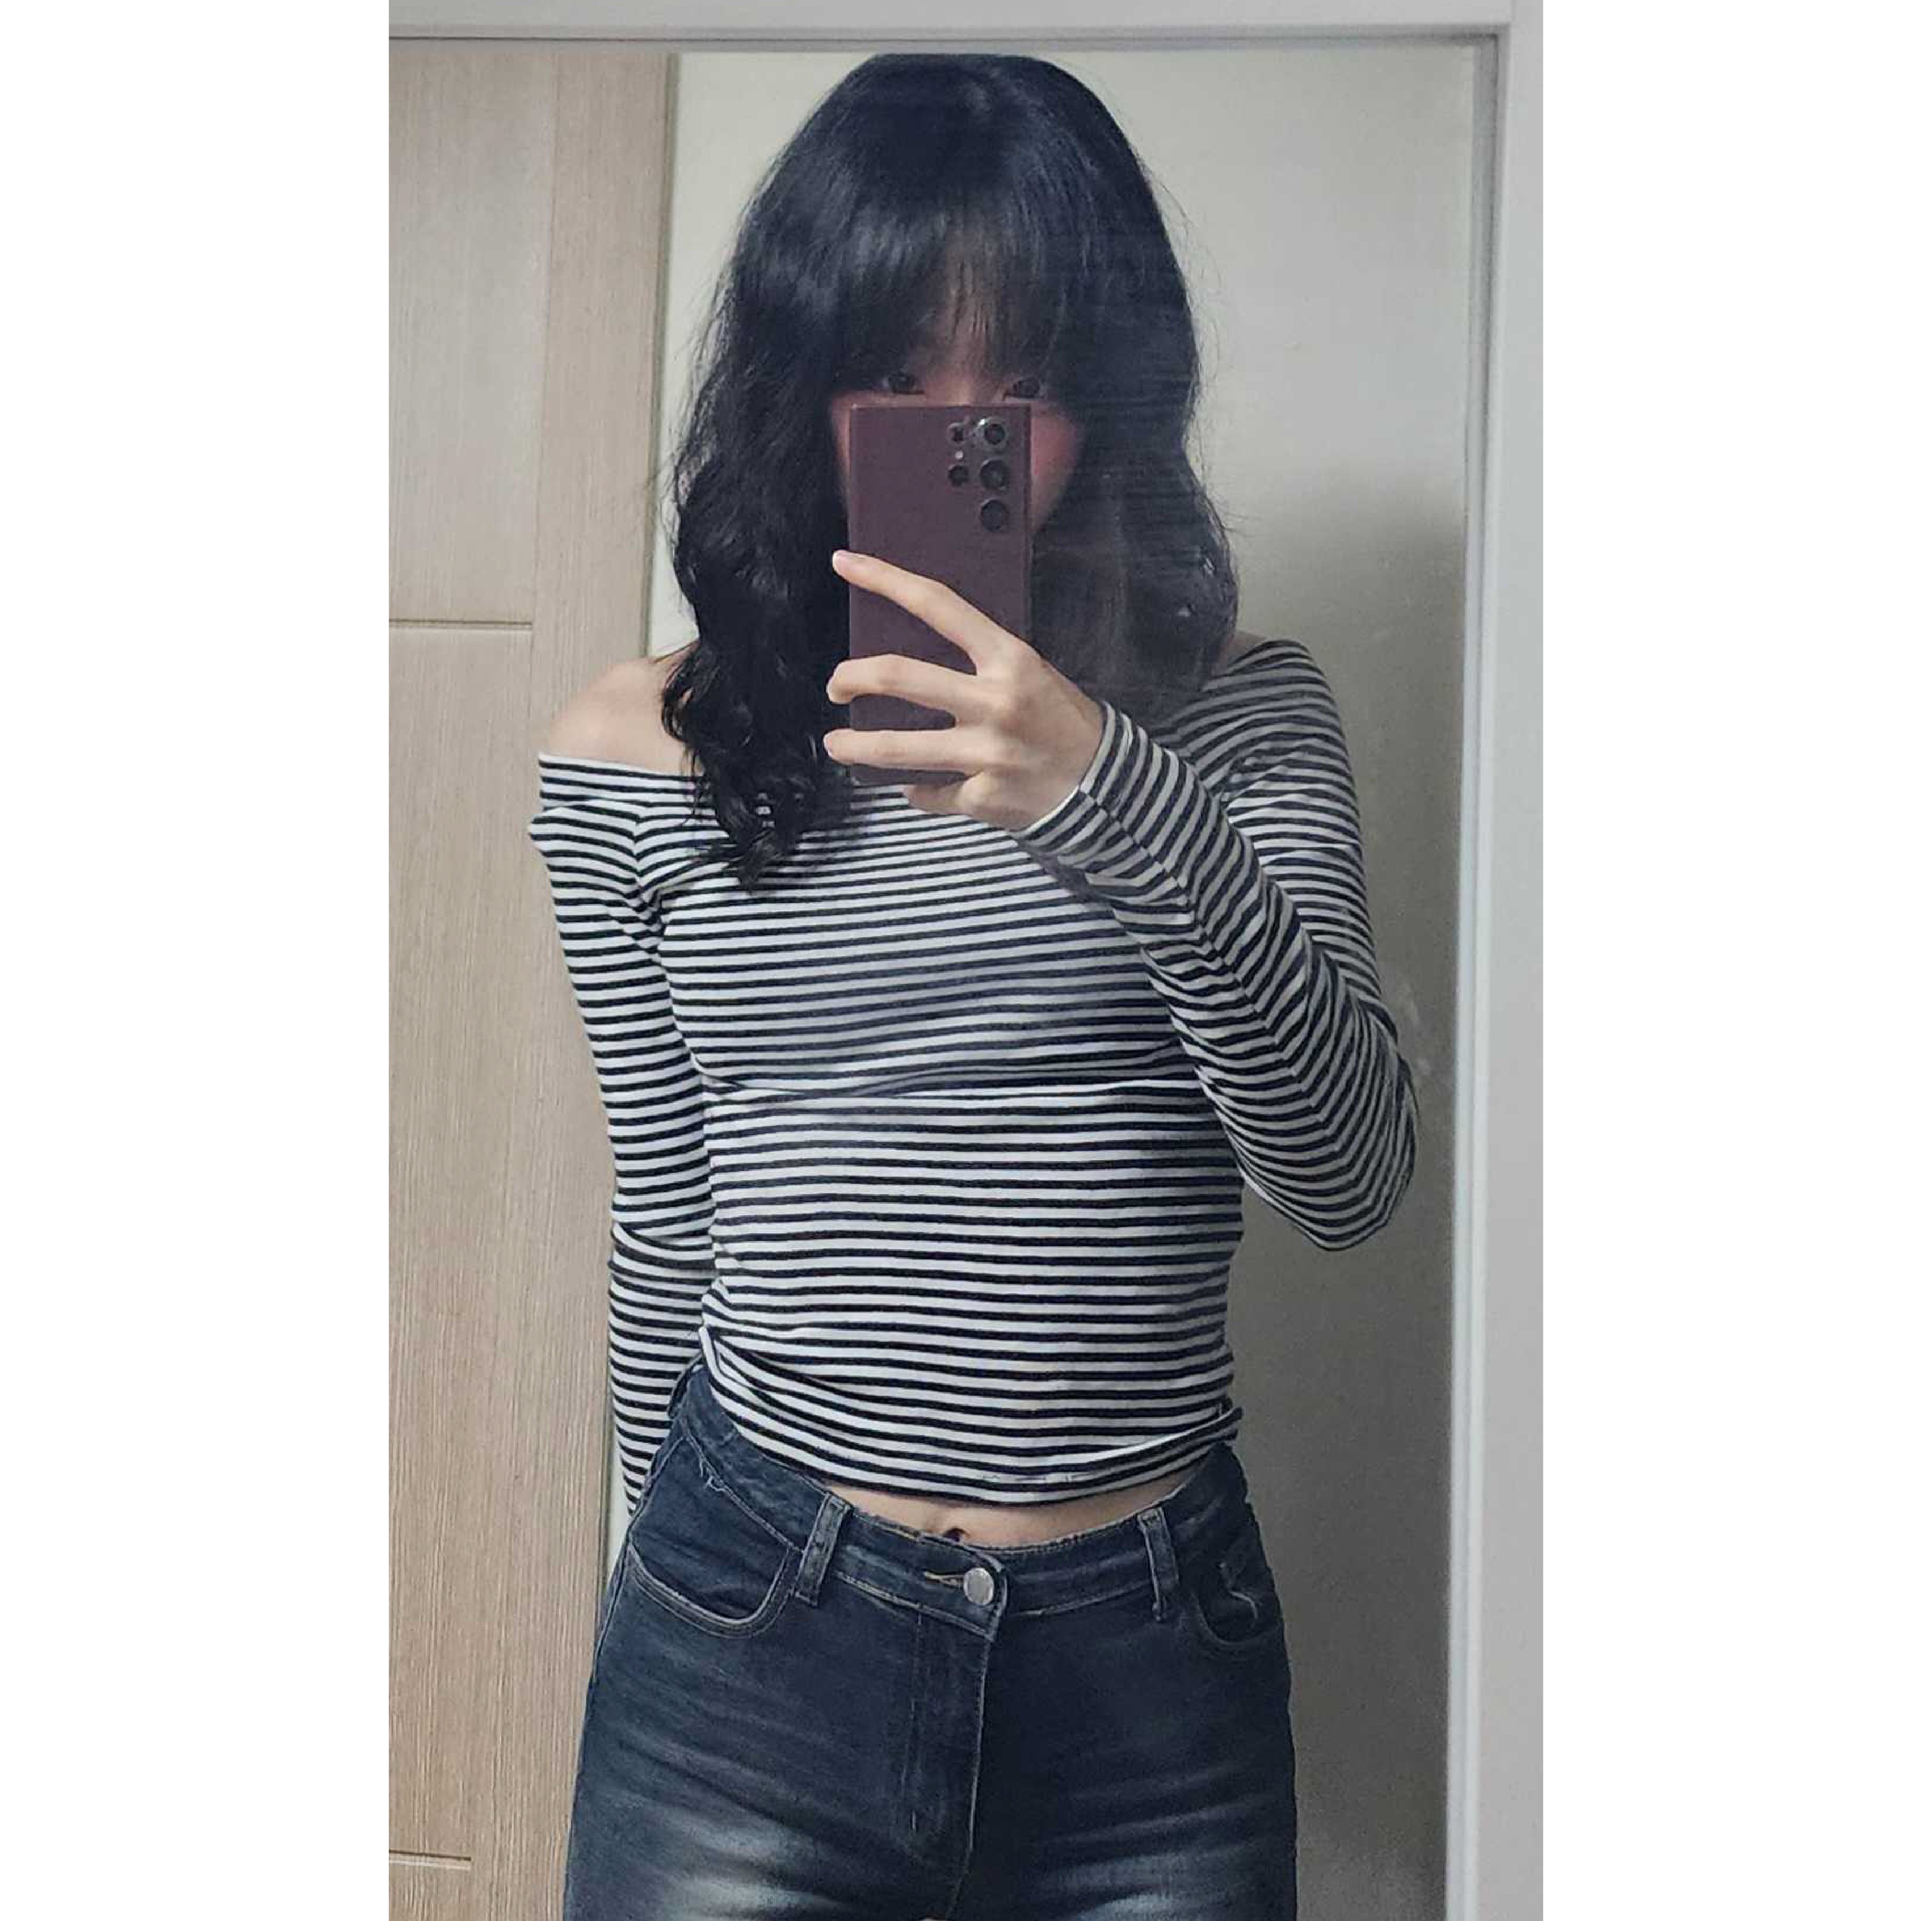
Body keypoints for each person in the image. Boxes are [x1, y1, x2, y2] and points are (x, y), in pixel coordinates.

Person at [528, 50, 1418, 1920]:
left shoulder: (1245, 718)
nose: (963, 444)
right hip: (748, 1612)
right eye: (899, 381)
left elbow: (1348, 1179)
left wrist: (1113, 795)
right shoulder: (632, 754)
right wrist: (648, 1587)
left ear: (1111, 394)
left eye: (1018, 391)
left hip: (1146, 1667)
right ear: (799, 388)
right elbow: (670, 1210)